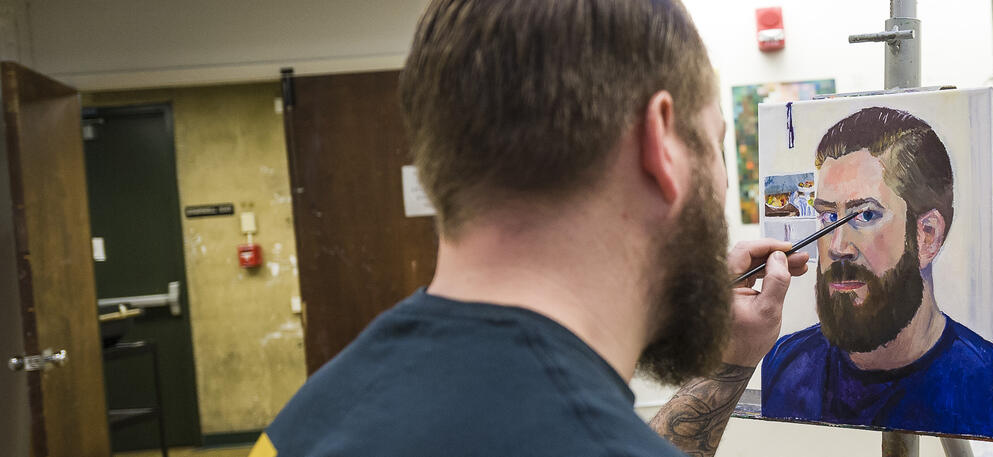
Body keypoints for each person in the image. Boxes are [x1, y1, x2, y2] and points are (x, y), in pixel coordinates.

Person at [250, 1, 809, 456]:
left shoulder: (310, 419)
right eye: (714, 143)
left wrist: (730, 362)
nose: (721, 173)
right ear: (661, 143)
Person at [760, 107, 993, 436]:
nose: (838, 246)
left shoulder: (981, 377)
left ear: (926, 235)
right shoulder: (787, 364)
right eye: (829, 217)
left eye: (865, 216)